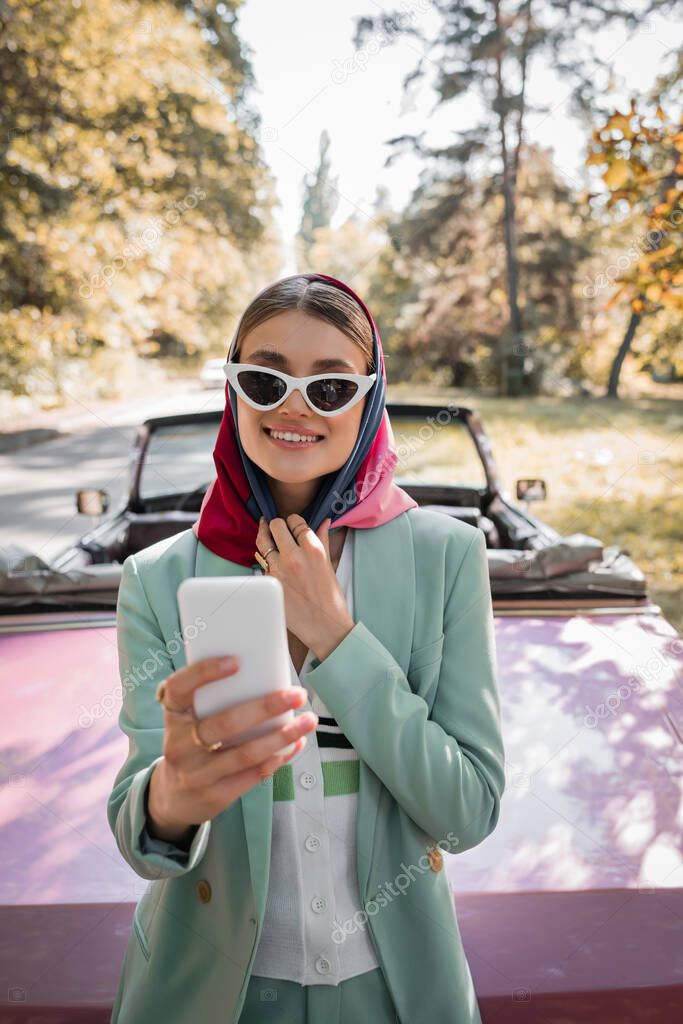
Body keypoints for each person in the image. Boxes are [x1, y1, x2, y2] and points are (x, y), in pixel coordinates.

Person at [107, 272, 506, 1024]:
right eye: (264, 380)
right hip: (206, 994)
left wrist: (335, 633)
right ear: (233, 392)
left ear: (369, 397)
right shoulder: (157, 579)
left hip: (393, 993)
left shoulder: (446, 556)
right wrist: (171, 801)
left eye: (328, 387)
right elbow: (142, 842)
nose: (292, 407)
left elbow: (467, 812)